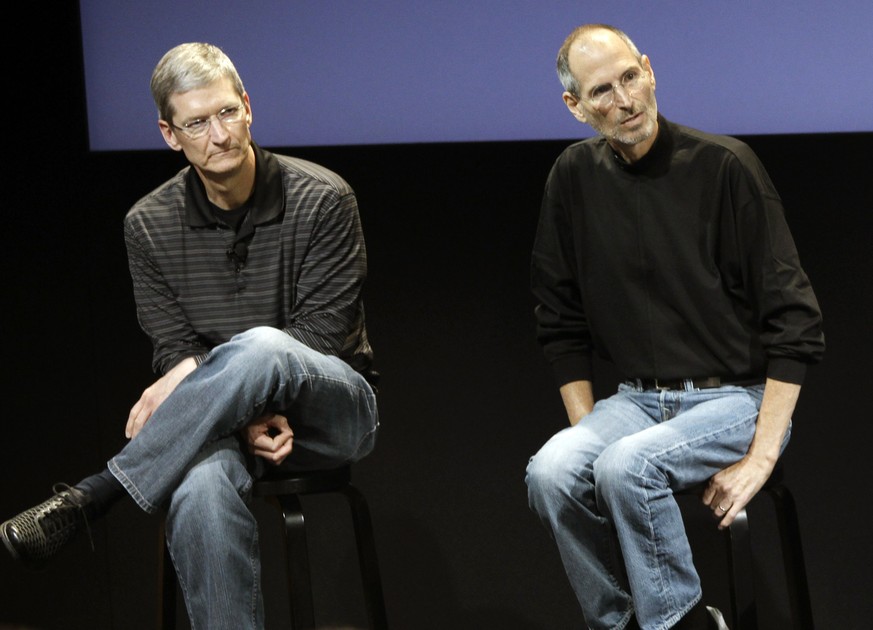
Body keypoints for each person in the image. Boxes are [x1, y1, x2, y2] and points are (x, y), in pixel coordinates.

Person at [1, 42, 379, 629]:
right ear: (169, 134)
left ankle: (97, 494)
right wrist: (236, 413)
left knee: (266, 345)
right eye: (197, 123)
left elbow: (320, 337)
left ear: (248, 107)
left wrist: (225, 387)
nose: (219, 134)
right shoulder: (147, 225)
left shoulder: (323, 198)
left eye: (227, 113)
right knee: (198, 489)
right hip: (219, 427)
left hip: (328, 410)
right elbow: (173, 351)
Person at [525, 24, 824, 630]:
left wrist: (762, 457)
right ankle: (623, 623)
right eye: (602, 91)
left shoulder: (724, 165)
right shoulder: (572, 177)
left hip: (736, 397)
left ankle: (683, 625)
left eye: (630, 77)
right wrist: (591, 437)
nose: (625, 100)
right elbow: (559, 318)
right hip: (637, 400)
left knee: (626, 466)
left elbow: (795, 319)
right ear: (575, 107)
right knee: (551, 473)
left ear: (650, 69)